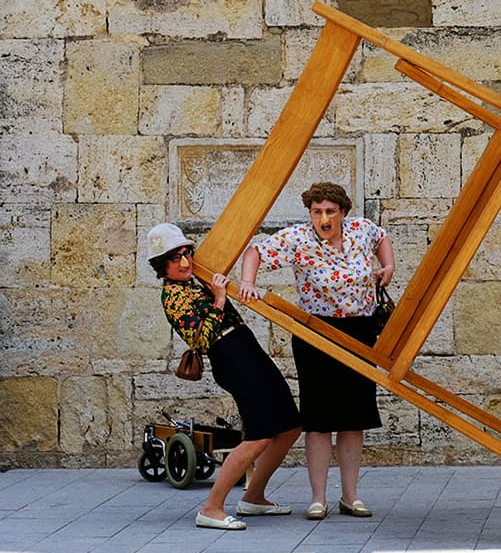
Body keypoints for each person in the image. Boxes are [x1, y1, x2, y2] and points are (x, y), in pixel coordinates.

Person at [238, 182, 395, 521]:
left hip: (359, 330)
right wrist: (248, 281)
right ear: (310, 212)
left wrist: (388, 266)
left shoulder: (361, 229)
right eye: (317, 211)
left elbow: (382, 237)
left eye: (330, 212)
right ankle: (318, 498)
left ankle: (351, 497)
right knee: (319, 419)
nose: (323, 218)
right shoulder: (298, 239)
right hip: (316, 333)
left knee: (354, 417)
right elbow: (256, 252)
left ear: (343, 213)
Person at [147, 223, 301, 530]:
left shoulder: (194, 280)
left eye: (186, 253)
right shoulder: (172, 296)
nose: (185, 262)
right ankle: (212, 507)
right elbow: (202, 339)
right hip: (229, 355)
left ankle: (254, 496)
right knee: (259, 435)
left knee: (290, 425)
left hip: (244, 345)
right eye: (176, 258)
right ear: (162, 265)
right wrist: (218, 300)